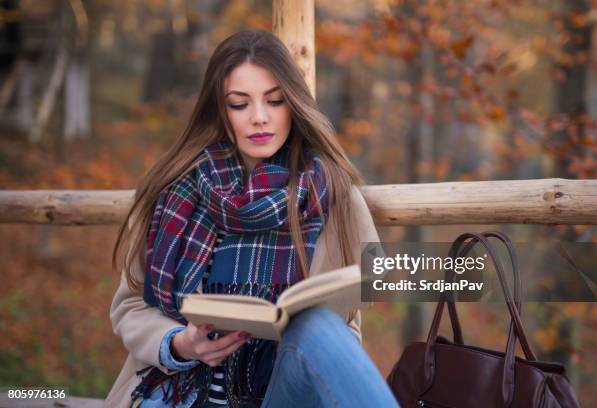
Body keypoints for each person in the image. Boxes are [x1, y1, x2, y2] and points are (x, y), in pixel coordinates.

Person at [105, 29, 399, 408]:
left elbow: (356, 315)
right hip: (182, 392)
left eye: (274, 100)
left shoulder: (335, 193)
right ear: (219, 110)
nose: (260, 118)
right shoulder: (175, 189)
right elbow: (129, 306)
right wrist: (181, 344)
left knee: (317, 327)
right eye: (239, 104)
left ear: (293, 103)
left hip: (280, 393)